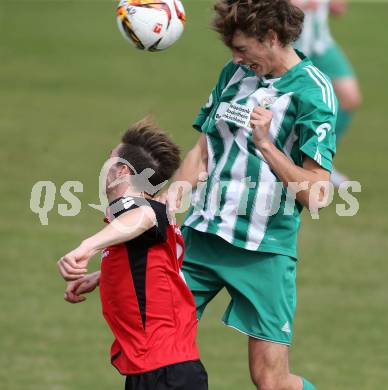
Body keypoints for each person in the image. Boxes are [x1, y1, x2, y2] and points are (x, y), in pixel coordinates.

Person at [166, 1, 337, 389]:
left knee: (270, 381)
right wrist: (174, 193)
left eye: (243, 49)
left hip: (263, 251)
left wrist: (266, 145)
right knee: (155, 347)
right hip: (202, 240)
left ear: (273, 38)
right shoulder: (234, 74)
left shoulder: (314, 92)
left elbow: (316, 194)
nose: (236, 58)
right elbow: (203, 149)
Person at [57, 119, 208, 390]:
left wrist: (87, 246)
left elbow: (145, 216)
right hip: (157, 367)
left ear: (122, 171)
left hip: (164, 370)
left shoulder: (142, 209)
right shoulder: (136, 223)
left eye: (109, 160)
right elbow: (155, 267)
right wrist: (102, 275)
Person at [293, 0, 362, 186]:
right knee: (288, 106)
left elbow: (338, 9)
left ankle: (320, 161)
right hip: (290, 45)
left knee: (349, 98)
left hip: (321, 44)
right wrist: (301, 4)